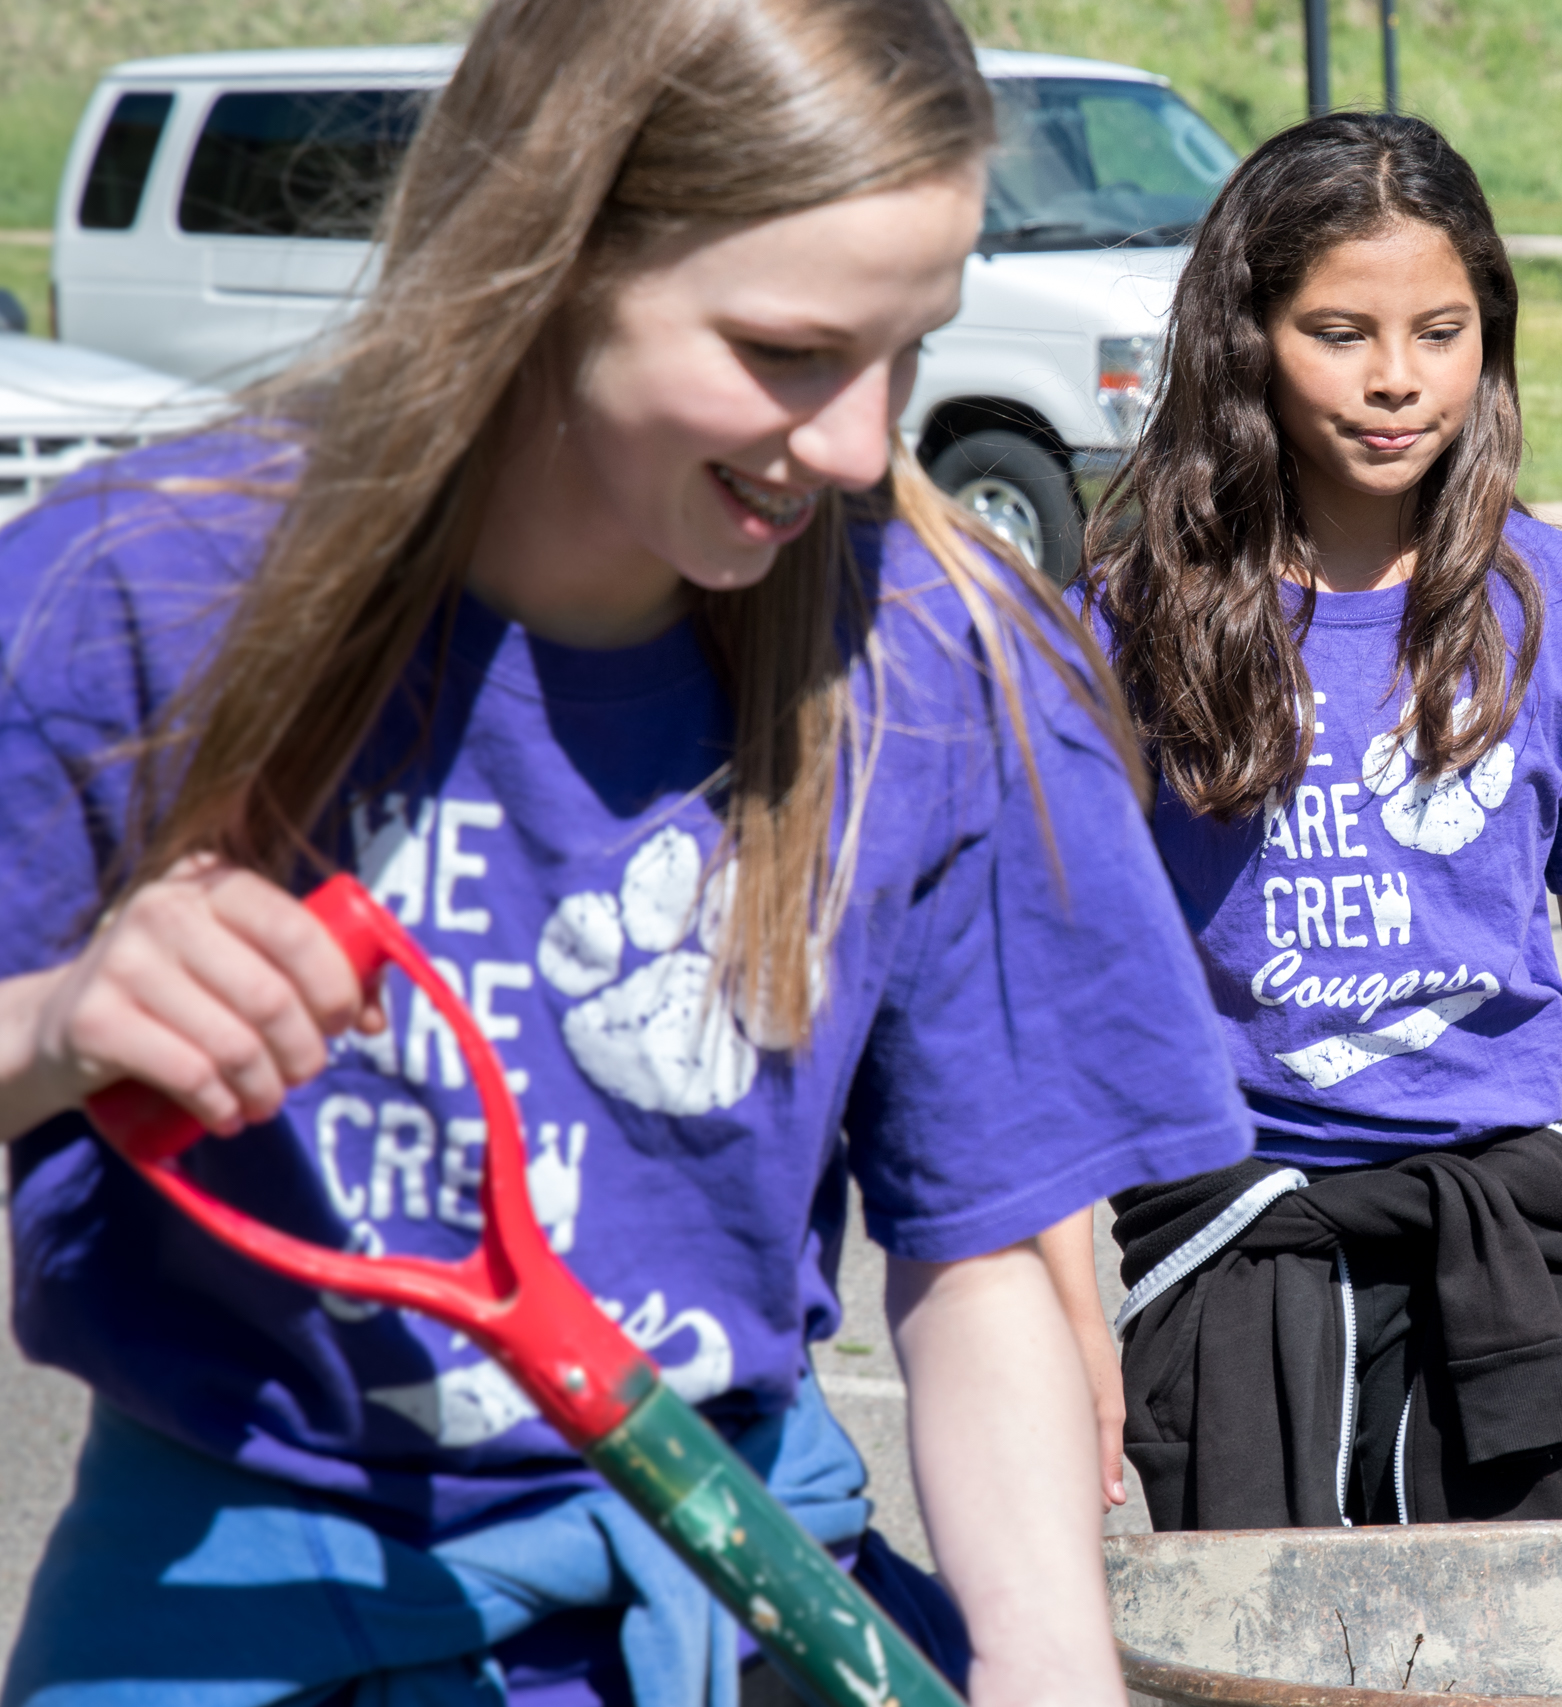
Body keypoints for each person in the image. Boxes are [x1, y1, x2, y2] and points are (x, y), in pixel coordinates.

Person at [0, 1, 1252, 1701]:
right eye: (790, 351)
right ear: (544, 256)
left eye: (909, 349)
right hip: (243, 1604)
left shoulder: (941, 656)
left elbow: (978, 1259)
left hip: (740, 1586)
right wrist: (54, 1025)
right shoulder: (121, 603)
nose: (864, 446)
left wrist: (1051, 1672)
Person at [1077, 112, 1562, 1532]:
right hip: (1238, 1245)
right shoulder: (1129, 620)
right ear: (1248, 340)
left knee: (1487, 1666)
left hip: (1498, 1250)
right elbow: (1058, 970)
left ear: (1491, 338)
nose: (1398, 381)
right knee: (1259, 1674)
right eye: (1339, 331)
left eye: (1442, 330)